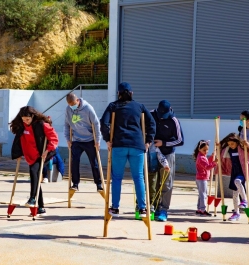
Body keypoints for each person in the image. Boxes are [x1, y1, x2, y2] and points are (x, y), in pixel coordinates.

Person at [100, 82, 155, 218]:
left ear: (118, 93)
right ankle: (142, 208)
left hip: (119, 145)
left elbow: (104, 123)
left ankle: (115, 207)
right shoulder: (139, 106)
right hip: (137, 145)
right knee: (138, 177)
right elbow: (151, 123)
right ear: (131, 93)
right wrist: (148, 141)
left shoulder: (113, 106)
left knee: (117, 178)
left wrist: (107, 139)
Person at [10, 106, 58, 216]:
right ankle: (41, 208)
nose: (25, 122)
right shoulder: (22, 126)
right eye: (23, 120)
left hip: (43, 154)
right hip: (30, 155)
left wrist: (48, 149)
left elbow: (54, 138)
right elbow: (17, 140)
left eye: (27, 119)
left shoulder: (41, 125)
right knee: (35, 178)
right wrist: (17, 153)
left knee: (34, 172)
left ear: (32, 116)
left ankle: (32, 199)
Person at [148, 100, 184, 222]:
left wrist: (164, 143)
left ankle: (163, 209)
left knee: (166, 182)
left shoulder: (174, 121)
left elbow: (180, 140)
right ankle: (151, 206)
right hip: (152, 152)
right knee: (152, 180)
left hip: (167, 153)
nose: (162, 117)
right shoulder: (151, 114)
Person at [64, 92, 103, 192]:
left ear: (77, 100)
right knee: (74, 161)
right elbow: (67, 125)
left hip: (90, 139)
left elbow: (96, 124)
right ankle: (75, 184)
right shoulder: (68, 109)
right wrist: (68, 139)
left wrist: (98, 140)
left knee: (94, 162)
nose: (72, 106)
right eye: (70, 105)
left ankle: (99, 184)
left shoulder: (88, 108)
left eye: (73, 104)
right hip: (77, 139)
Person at [218, 133, 249, 221]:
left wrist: (248, 144)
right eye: (229, 144)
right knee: (235, 194)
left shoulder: (243, 148)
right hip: (234, 172)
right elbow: (220, 155)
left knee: (237, 181)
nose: (231, 146)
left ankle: (244, 201)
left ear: (237, 142)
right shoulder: (228, 149)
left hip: (243, 172)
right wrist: (219, 146)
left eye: (232, 144)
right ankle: (236, 213)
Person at [193, 140, 216, 217]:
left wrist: (212, 157)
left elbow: (207, 163)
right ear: (199, 149)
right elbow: (207, 167)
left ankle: (199, 209)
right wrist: (215, 163)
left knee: (201, 194)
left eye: (207, 150)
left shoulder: (202, 156)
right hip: (202, 178)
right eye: (204, 150)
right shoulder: (201, 158)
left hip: (200, 178)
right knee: (203, 194)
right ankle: (202, 209)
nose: (206, 151)